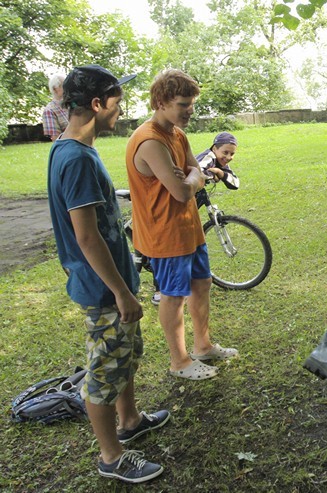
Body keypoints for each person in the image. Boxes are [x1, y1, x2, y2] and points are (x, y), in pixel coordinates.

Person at [47, 64, 170, 484]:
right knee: (104, 371)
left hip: (113, 284)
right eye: (117, 99)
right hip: (103, 290)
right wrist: (120, 291)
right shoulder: (76, 159)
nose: (122, 107)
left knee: (123, 357)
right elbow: (85, 237)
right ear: (97, 104)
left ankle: (130, 420)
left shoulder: (72, 149)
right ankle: (111, 456)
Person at [125, 69, 238, 381]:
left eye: (192, 104)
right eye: (183, 104)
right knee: (173, 296)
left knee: (201, 284)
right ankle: (179, 361)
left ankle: (203, 346)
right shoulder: (149, 141)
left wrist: (190, 176)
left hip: (189, 229)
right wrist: (191, 178)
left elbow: (195, 174)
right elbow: (182, 190)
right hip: (165, 235)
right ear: (161, 102)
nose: (190, 110)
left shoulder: (177, 133)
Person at [150, 131, 241, 305]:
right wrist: (210, 174)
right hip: (174, 200)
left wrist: (221, 174)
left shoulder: (219, 162)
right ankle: (159, 290)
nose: (228, 157)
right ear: (215, 148)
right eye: (225, 152)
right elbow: (197, 171)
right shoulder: (208, 157)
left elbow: (235, 182)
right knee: (168, 242)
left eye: (232, 154)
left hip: (187, 199)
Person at [42, 74, 69, 141]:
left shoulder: (72, 104)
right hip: (67, 147)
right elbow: (56, 140)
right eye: (64, 85)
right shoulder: (49, 111)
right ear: (55, 89)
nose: (68, 88)